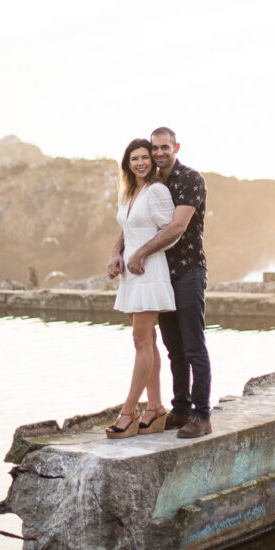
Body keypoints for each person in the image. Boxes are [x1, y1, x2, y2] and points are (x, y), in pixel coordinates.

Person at [108, 127, 212, 438]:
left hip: (187, 269)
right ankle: (178, 409)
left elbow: (177, 226)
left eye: (163, 147)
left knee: (193, 345)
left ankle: (202, 415)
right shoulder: (149, 183)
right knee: (172, 348)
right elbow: (133, 224)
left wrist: (138, 252)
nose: (157, 153)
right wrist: (118, 250)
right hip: (160, 270)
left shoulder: (189, 179)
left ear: (175, 147)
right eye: (153, 149)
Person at [106, 138, 176, 439]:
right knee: (147, 340)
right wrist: (116, 254)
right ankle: (156, 407)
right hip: (131, 274)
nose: (141, 162)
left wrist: (141, 254)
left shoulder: (157, 190)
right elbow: (128, 228)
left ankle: (129, 412)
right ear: (128, 162)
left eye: (145, 157)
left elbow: (171, 232)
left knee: (140, 341)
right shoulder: (130, 191)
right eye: (135, 158)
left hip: (149, 270)